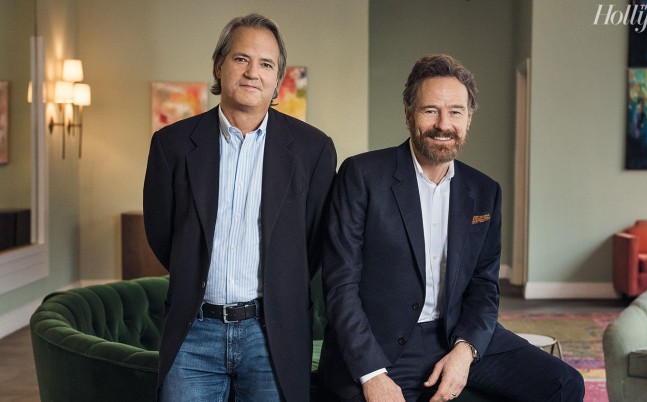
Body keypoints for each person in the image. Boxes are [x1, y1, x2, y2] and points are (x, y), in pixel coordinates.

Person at [318, 54, 584, 402]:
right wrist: (372, 373)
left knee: (564, 383)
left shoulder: (485, 191)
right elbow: (341, 284)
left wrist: (465, 350)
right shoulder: (362, 175)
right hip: (379, 343)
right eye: (431, 110)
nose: (444, 124)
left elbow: (484, 287)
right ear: (409, 114)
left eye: (456, 112)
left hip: (455, 333)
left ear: (468, 118)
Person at [143, 14, 336, 402]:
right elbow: (162, 234)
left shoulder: (313, 150)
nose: (252, 73)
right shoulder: (171, 145)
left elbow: (314, 244)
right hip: (193, 332)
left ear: (277, 79)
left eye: (266, 64)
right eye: (241, 59)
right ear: (219, 65)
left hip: (272, 334)